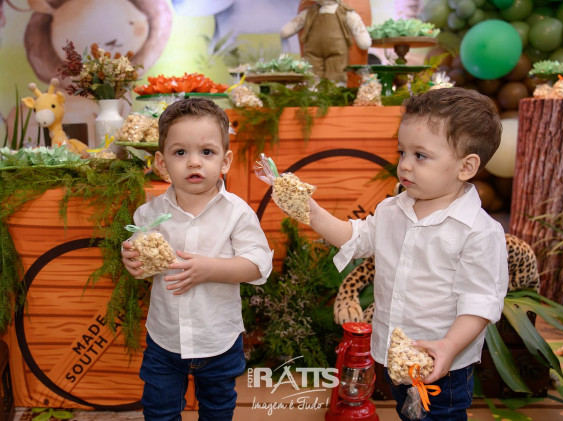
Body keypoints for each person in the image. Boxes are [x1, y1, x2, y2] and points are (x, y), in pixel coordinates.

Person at [309, 87, 509, 420]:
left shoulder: (477, 231)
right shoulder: (392, 210)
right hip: (393, 353)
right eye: (402, 152)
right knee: (407, 413)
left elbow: (479, 302)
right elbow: (355, 238)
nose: (404, 165)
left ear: (465, 167)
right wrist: (313, 213)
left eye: (420, 156)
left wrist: (449, 346)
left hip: (441, 364)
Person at [121, 97, 273, 421]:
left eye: (206, 152)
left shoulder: (236, 213)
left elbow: (258, 265)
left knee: (218, 410)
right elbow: (141, 258)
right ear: (161, 163)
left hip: (218, 339)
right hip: (165, 339)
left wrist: (209, 269)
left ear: (225, 161)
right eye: (180, 152)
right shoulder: (149, 214)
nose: (193, 163)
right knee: (159, 411)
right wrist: (131, 258)